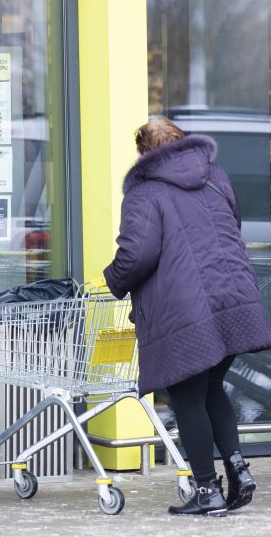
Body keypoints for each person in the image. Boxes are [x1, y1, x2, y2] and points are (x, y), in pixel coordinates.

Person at [103, 117, 271, 517]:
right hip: (234, 302)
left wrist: (112, 279)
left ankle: (208, 491)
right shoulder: (215, 176)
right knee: (212, 388)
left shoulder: (146, 192)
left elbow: (137, 254)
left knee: (186, 396)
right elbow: (231, 226)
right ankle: (238, 470)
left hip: (186, 312)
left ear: (145, 152)